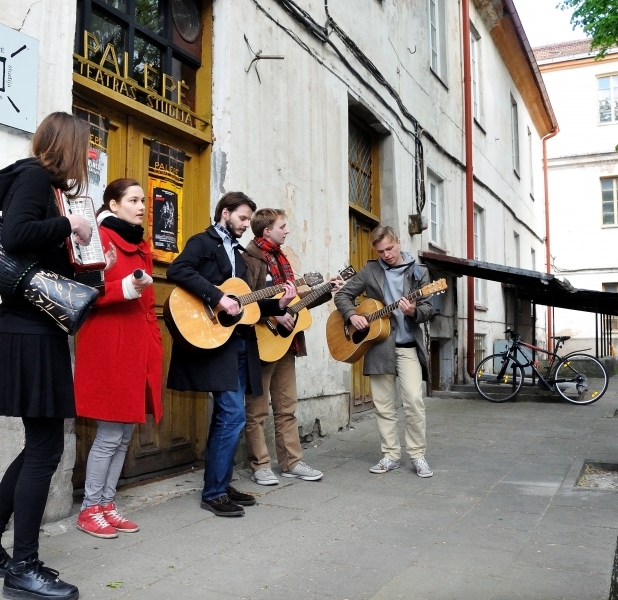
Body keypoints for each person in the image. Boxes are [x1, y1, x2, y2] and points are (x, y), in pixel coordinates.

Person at [0, 112, 96, 600]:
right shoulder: (36, 178)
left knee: (40, 445)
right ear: (69, 146)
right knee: (45, 449)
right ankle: (24, 568)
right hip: (31, 332)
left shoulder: (40, 182)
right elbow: (16, 236)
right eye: (86, 148)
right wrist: (69, 223)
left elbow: (36, 252)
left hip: (34, 329)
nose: (89, 157)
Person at [166, 192, 296, 517]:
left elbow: (246, 301)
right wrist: (217, 296)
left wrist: (277, 304)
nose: (246, 224)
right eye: (241, 217)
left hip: (238, 342)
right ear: (225, 213)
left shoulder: (239, 255)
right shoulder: (203, 242)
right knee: (234, 415)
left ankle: (219, 483)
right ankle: (214, 492)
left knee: (227, 417)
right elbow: (178, 271)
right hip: (213, 341)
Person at [74, 178, 163, 538]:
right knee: (111, 433)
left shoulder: (140, 243)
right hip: (109, 343)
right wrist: (125, 287)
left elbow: (146, 301)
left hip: (138, 342)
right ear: (113, 204)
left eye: (143, 200)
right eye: (133, 200)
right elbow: (83, 291)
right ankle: (89, 508)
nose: (142, 206)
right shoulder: (98, 236)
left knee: (124, 433)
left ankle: (107, 503)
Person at [243, 208, 340, 485]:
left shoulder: (282, 259)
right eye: (282, 226)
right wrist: (274, 313)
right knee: (257, 410)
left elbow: (296, 302)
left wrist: (327, 289)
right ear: (267, 231)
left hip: (287, 343)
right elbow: (245, 301)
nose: (286, 230)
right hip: (262, 341)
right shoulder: (248, 259)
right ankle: (260, 465)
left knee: (287, 408)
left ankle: (291, 463)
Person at [334, 226, 434, 478]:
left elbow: (429, 309)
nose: (386, 255)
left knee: (413, 401)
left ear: (398, 243)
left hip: (408, 345)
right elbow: (343, 295)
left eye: (390, 248)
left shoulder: (419, 271)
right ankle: (390, 455)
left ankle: (418, 455)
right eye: (381, 251)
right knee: (384, 406)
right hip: (379, 345)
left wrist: (413, 311)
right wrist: (352, 315)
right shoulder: (371, 270)